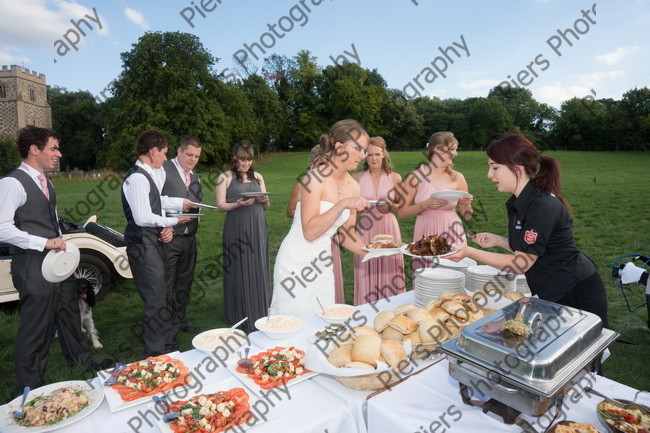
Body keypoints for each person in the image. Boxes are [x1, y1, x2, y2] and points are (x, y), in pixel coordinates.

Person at [447, 133, 609, 327]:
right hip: (552, 289)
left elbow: (520, 264)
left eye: (495, 167)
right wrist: (500, 241)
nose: (489, 175)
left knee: (580, 353)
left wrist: (470, 252)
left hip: (574, 291)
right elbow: (533, 249)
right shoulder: (521, 201)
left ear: (517, 168)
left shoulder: (541, 205)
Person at [0, 126, 105, 392]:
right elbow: (2, 228)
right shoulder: (12, 183)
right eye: (53, 148)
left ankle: (82, 365)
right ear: (34, 149)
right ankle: (31, 385)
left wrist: (64, 252)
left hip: (58, 264)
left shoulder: (48, 182)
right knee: (37, 326)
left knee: (69, 315)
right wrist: (45, 243)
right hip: (31, 266)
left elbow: (53, 224)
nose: (59, 153)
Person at [271, 119, 370, 319]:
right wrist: (342, 205)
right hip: (295, 262)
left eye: (364, 151)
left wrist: (375, 250)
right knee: (291, 322)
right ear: (339, 146)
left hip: (322, 264)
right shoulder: (313, 179)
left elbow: (347, 236)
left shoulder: (353, 186)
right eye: (358, 149)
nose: (362, 156)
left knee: (321, 322)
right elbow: (309, 231)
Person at [122, 130, 192, 357]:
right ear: (153, 151)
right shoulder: (137, 178)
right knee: (155, 300)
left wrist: (180, 203)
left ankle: (165, 347)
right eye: (163, 153)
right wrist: (174, 221)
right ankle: (154, 355)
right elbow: (142, 217)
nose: (165, 158)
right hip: (142, 245)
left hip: (154, 242)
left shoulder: (149, 174)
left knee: (163, 294)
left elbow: (157, 201)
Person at [398, 132, 473, 272]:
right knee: (427, 279)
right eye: (451, 149)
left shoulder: (458, 178)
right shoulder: (415, 177)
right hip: (425, 233)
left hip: (452, 231)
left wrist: (466, 203)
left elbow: (467, 215)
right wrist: (426, 204)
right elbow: (401, 212)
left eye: (456, 149)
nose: (455, 153)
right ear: (437, 149)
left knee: (453, 277)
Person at [216, 140, 270, 330]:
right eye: (242, 160)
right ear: (235, 158)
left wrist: (264, 199)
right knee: (238, 265)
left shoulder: (258, 176)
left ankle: (260, 309)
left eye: (249, 160)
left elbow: (266, 205)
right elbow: (221, 206)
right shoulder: (225, 177)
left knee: (257, 263)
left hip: (257, 224)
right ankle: (239, 311)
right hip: (237, 226)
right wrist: (238, 204)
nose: (246, 164)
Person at [287, 145, 345, 304]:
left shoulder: (336, 186)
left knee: (328, 281)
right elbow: (290, 210)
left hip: (330, 239)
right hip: (307, 240)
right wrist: (309, 216)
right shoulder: (302, 185)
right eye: (321, 165)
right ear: (312, 164)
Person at [352, 136, 405, 305]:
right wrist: (359, 207)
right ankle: (365, 308)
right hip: (365, 226)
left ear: (384, 154)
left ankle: (392, 306)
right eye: (369, 154)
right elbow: (350, 207)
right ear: (364, 156)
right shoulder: (357, 178)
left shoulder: (395, 178)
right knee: (365, 265)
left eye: (377, 154)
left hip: (388, 226)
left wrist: (391, 206)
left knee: (390, 266)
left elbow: (402, 208)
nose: (373, 158)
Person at [160, 136, 203, 336]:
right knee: (168, 284)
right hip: (169, 237)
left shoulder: (195, 177)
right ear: (179, 151)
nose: (193, 159)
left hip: (189, 238)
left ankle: (180, 321)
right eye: (189, 155)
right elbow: (153, 201)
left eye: (196, 156)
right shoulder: (162, 171)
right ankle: (166, 327)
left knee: (184, 283)